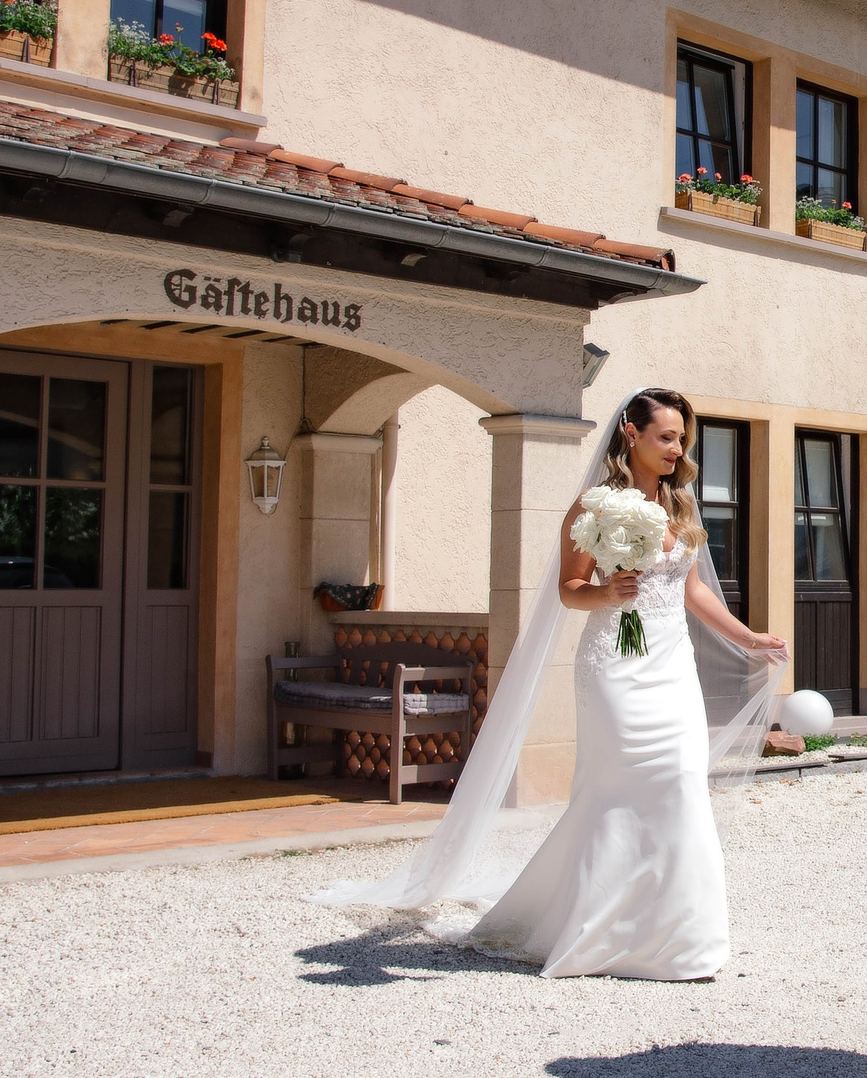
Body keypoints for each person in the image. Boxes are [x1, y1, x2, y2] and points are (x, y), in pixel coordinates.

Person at [311, 388, 787, 981]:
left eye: (681, 439)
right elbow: (569, 589)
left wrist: (749, 638)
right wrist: (606, 592)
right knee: (612, 789)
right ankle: (595, 930)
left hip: (671, 667)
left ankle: (679, 938)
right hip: (615, 663)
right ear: (631, 435)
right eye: (666, 436)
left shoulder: (681, 506)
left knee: (680, 781)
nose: (677, 448)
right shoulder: (593, 508)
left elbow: (691, 591)